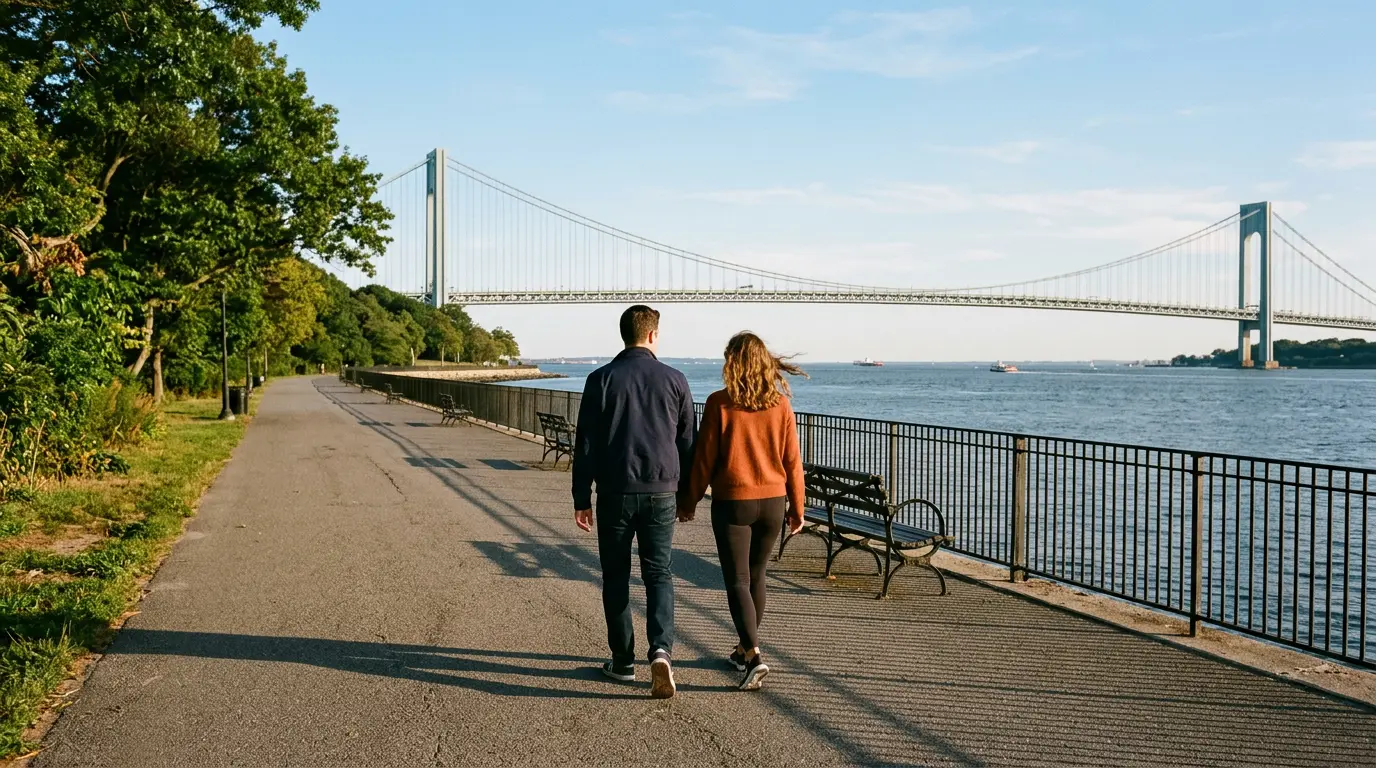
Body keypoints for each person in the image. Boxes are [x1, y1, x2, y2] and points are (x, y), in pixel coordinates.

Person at [573, 305, 696, 699]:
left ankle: (623, 661)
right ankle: (661, 650)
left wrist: (581, 497)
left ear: (623, 334)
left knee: (615, 575)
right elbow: (687, 442)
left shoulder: (600, 379)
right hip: (662, 491)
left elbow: (586, 444)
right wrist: (687, 495)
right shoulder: (675, 380)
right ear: (653, 336)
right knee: (659, 573)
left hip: (614, 491)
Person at [680, 331, 805, 691]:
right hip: (772, 502)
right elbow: (792, 462)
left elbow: (704, 461)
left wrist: (688, 502)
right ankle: (740, 651)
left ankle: (754, 656)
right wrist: (797, 508)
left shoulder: (720, 403)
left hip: (734, 501)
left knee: (737, 580)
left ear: (731, 363)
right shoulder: (780, 405)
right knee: (757, 576)